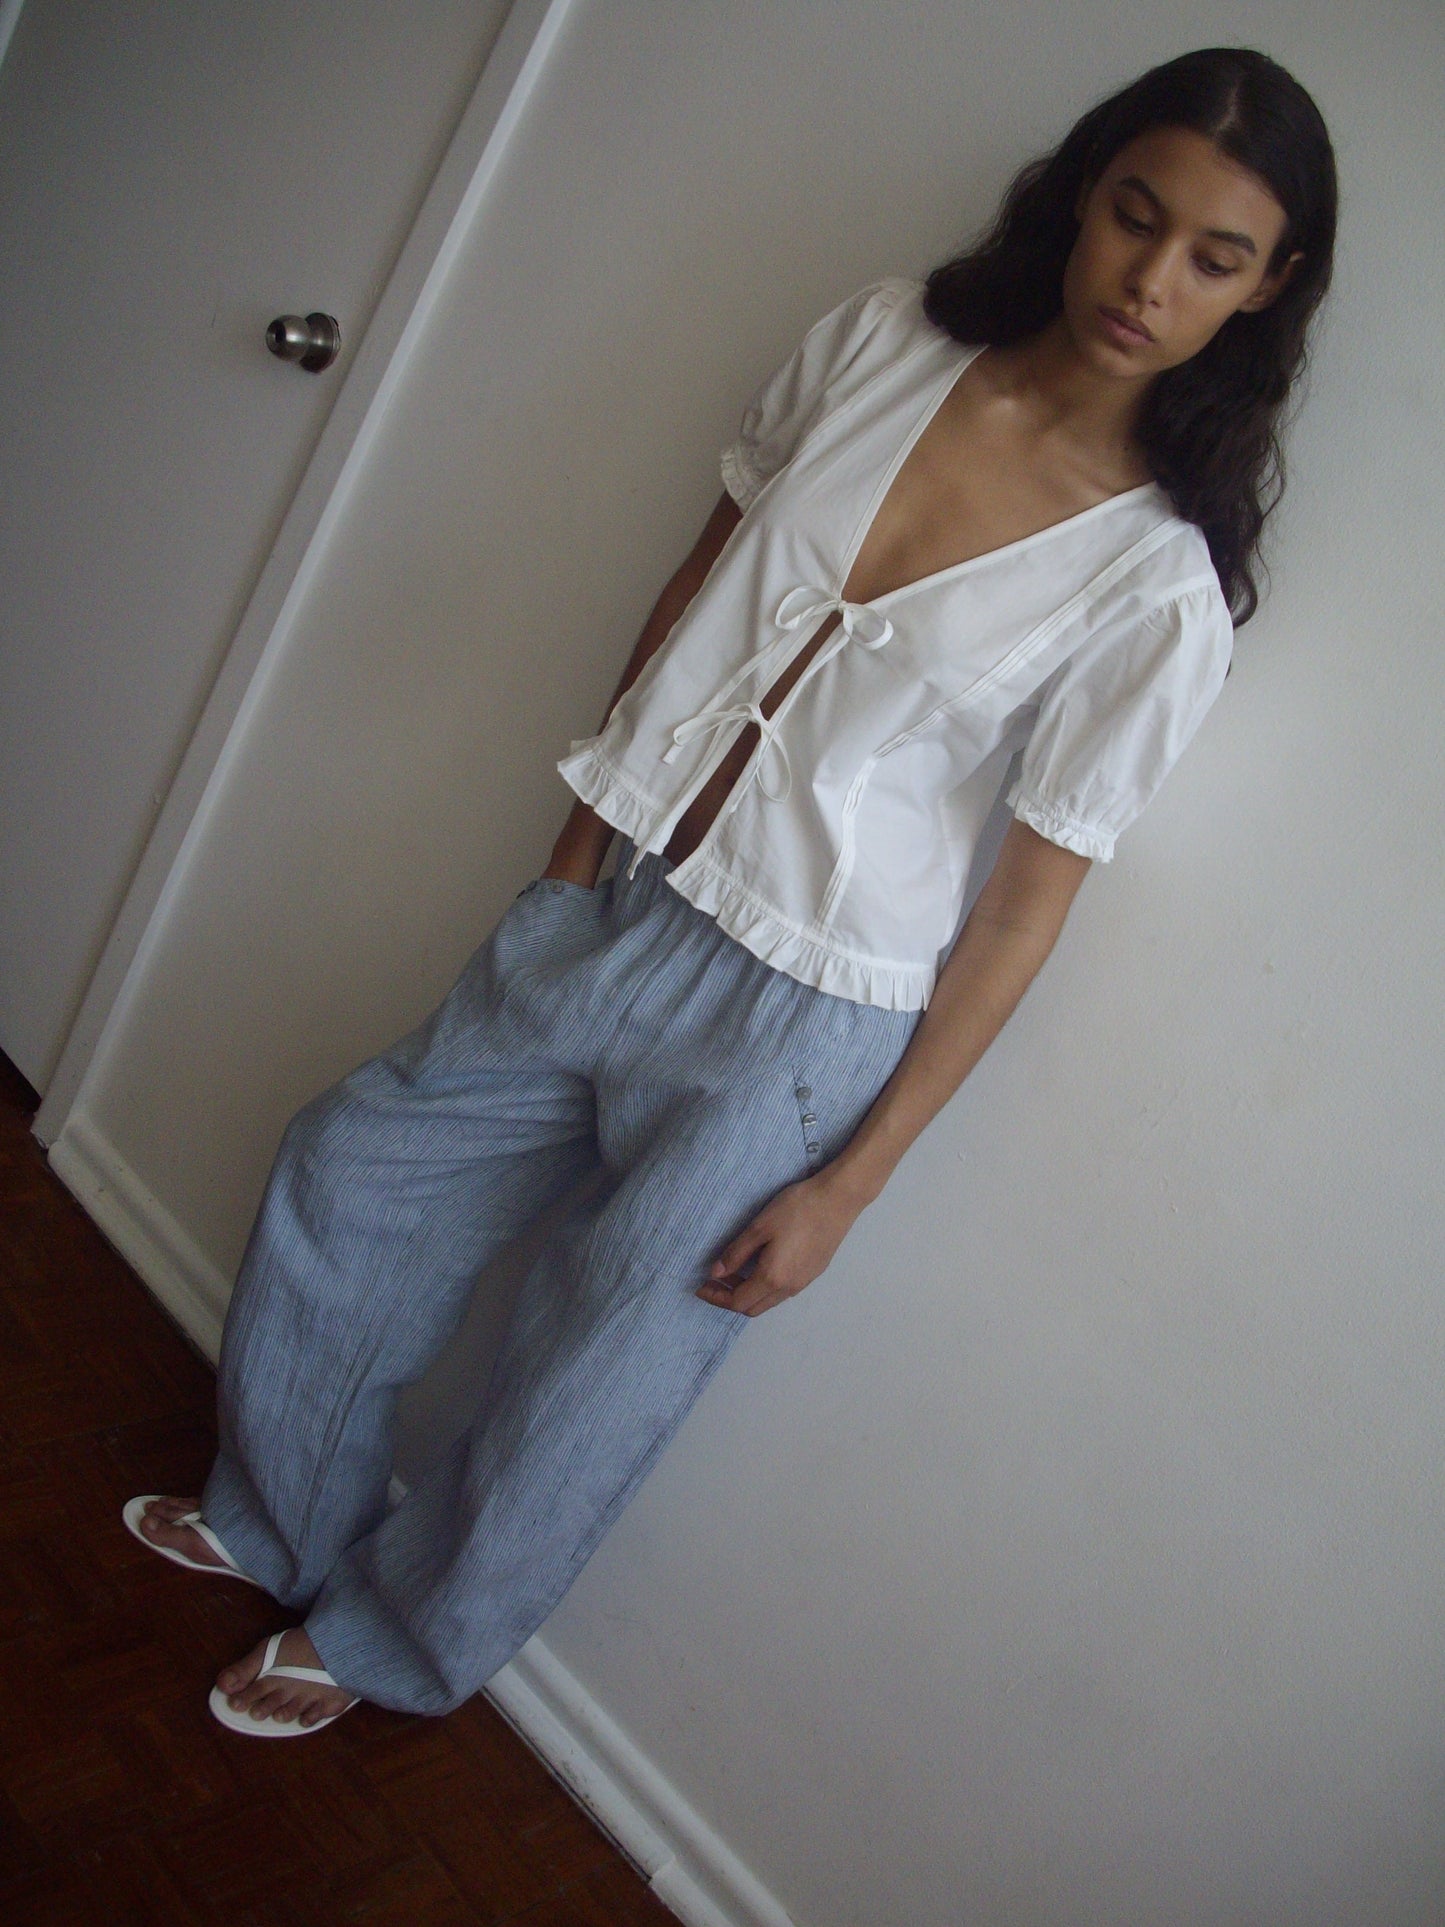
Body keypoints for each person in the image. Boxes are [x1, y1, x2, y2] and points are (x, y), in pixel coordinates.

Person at [125, 47, 1337, 1735]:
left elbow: (1020, 909)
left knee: (588, 1378)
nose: (1150, 278)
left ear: (1268, 290)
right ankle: (280, 1522)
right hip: (615, 891)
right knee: (354, 1175)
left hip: (802, 1025)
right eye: (1136, 215)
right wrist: (571, 856)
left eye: (1214, 254)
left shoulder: (1157, 584)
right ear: (1079, 194)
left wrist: (852, 1183)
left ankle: (398, 1647)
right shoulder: (886, 338)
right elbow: (700, 573)